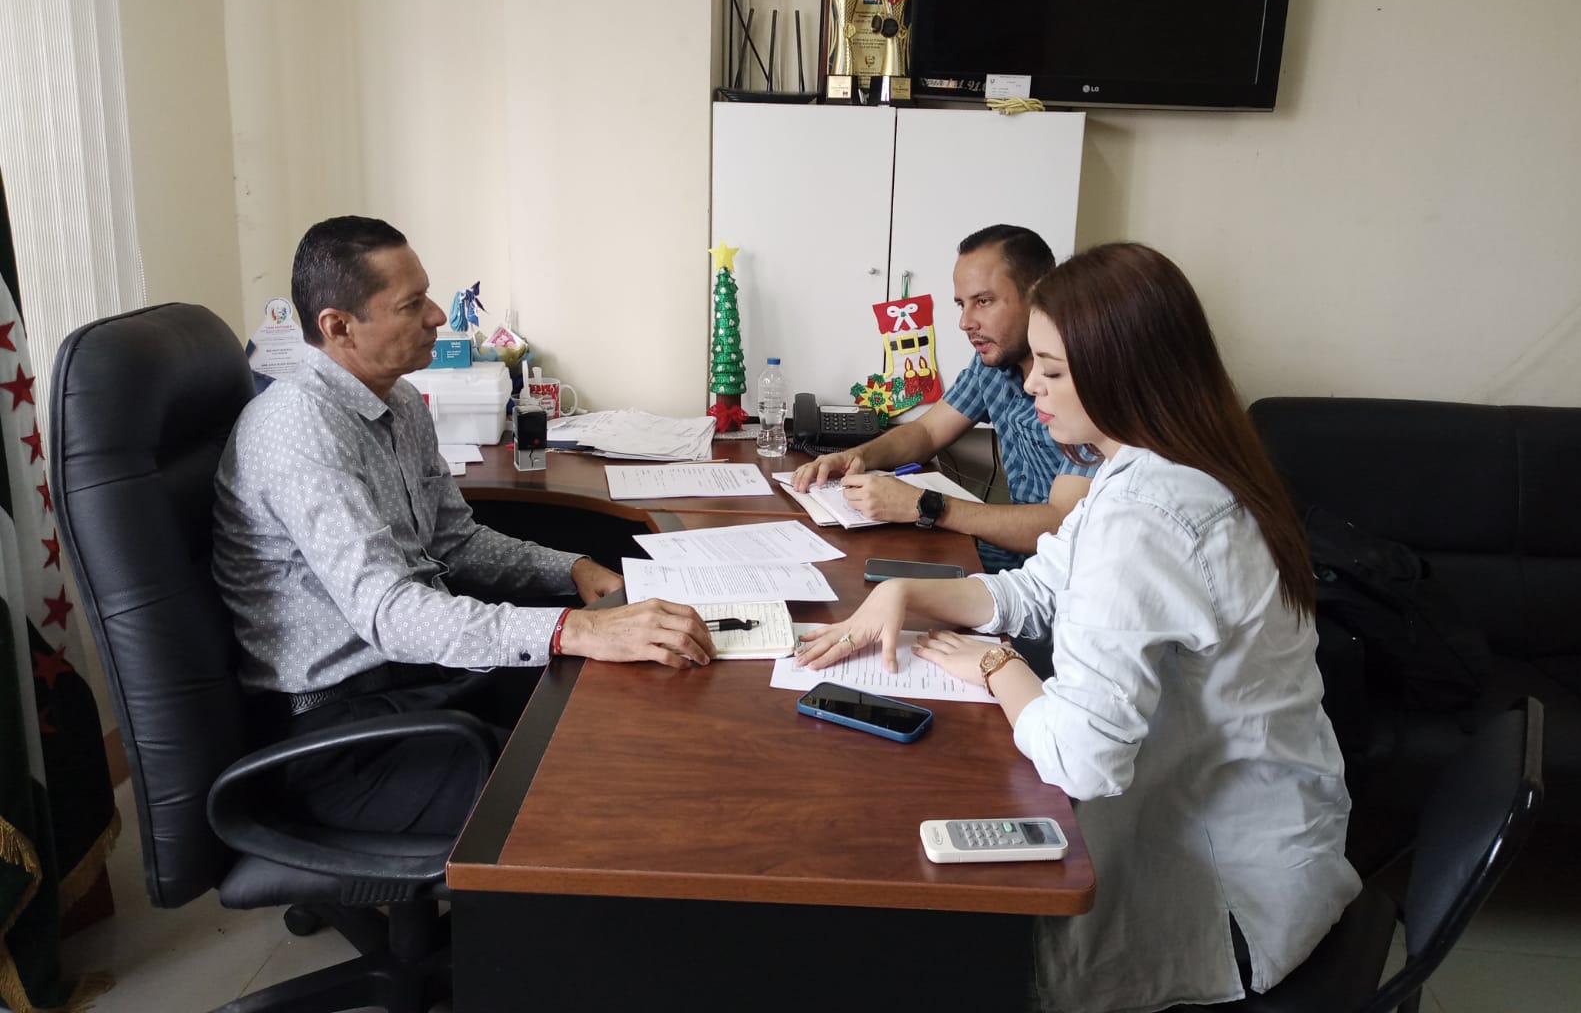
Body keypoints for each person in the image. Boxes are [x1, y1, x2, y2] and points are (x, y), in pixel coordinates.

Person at [798, 242, 1361, 1011]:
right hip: (1272, 851)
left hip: (1224, 903)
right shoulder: (1162, 465)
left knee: (909, 929)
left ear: (1123, 372)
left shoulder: (1148, 512)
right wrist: (908, 594)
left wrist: (997, 668)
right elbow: (1042, 588)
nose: (1030, 383)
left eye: (1053, 370)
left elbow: (1083, 760)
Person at [212, 216, 715, 835]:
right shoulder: (299, 429)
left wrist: (573, 570)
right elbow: (391, 615)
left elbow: (456, 541)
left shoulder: (398, 402)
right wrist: (572, 629)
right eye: (411, 304)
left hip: (418, 686)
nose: (435, 317)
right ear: (339, 326)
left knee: (631, 709)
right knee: (592, 792)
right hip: (338, 738)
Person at [790, 224, 1094, 574]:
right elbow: (928, 432)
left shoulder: (1088, 385)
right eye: (962, 304)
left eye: (983, 301)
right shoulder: (993, 363)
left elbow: (1063, 523)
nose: (965, 322)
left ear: (1038, 295)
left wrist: (926, 505)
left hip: (1057, 576)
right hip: (1007, 560)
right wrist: (855, 457)